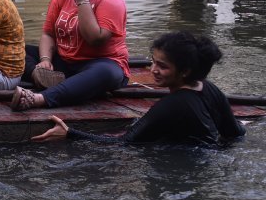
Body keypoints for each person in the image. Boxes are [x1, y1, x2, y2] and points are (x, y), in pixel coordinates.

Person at [32, 32, 246, 146]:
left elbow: (123, 144)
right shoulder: (210, 89)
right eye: (153, 62)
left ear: (185, 71)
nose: (153, 70)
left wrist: (70, 134)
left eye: (162, 66)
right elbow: (235, 133)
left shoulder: (172, 105)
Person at [11, 0, 129, 111]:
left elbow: (94, 39)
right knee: (12, 49)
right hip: (65, 61)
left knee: (107, 73)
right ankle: (39, 75)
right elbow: (48, 33)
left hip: (98, 64)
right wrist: (45, 60)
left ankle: (39, 98)